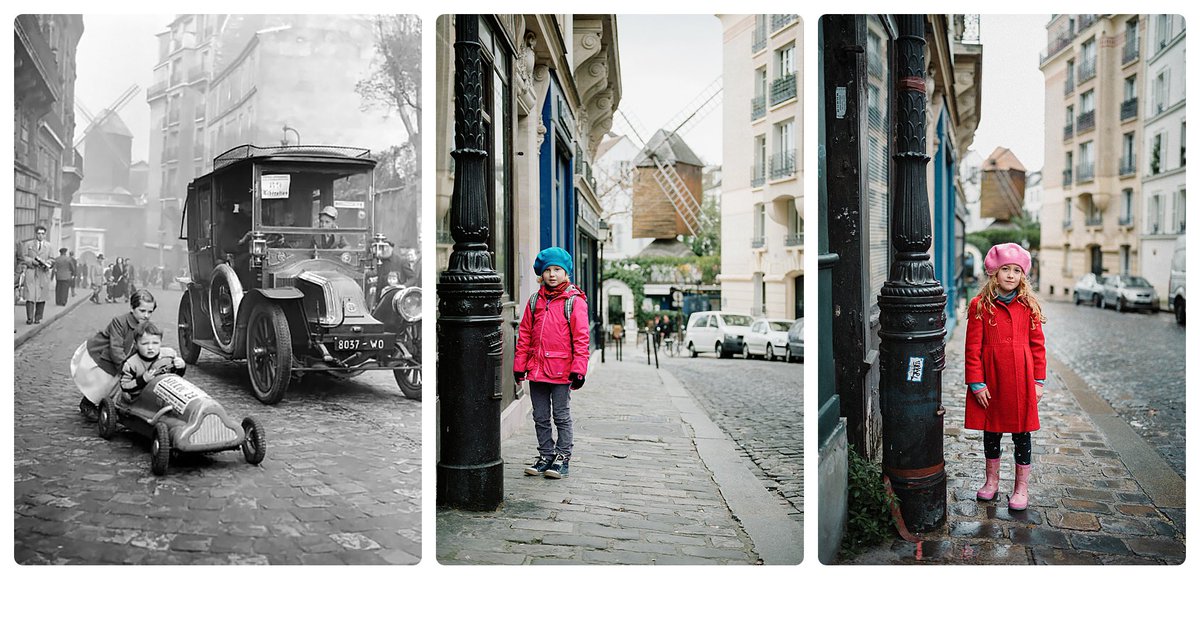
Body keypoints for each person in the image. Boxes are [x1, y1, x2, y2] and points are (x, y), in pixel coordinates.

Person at [965, 242, 1047, 512]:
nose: (1011, 275)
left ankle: (1021, 488)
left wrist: (1038, 381)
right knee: (993, 431)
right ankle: (991, 482)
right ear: (993, 273)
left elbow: (1038, 347)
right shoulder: (980, 306)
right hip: (992, 381)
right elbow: (972, 348)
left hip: (1022, 381)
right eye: (1005, 270)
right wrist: (976, 382)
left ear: (1023, 275)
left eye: (1016, 270)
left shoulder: (1028, 306)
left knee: (1022, 434)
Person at [513, 247, 590, 480]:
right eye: (548, 270)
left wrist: (579, 369)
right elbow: (525, 334)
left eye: (557, 269)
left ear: (566, 273)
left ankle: (562, 457)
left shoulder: (574, 302)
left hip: (561, 370)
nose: (552, 274)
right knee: (540, 416)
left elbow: (581, 338)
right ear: (541, 274)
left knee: (561, 415)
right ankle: (545, 454)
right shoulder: (535, 300)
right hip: (537, 370)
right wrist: (520, 364)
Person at [71, 289, 158, 421]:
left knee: (115, 385)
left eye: (150, 312)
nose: (146, 315)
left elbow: (149, 344)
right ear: (132, 308)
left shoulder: (146, 326)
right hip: (104, 355)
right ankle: (87, 404)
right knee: (101, 384)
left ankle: (109, 405)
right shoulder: (119, 322)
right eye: (142, 311)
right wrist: (125, 366)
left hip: (124, 360)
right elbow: (116, 347)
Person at [119, 321, 186, 402]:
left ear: (160, 342)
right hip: (140, 397)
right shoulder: (131, 364)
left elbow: (177, 377)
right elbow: (124, 385)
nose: (150, 347)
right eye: (144, 344)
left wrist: (181, 366)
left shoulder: (169, 355)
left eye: (155, 343)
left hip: (166, 393)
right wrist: (143, 380)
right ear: (136, 345)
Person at [21, 225, 53, 324]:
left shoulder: (48, 246)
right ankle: (29, 318)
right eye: (38, 233)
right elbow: (24, 257)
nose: (40, 236)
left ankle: (38, 317)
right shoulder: (28, 244)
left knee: (41, 296)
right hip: (31, 272)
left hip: (43, 273)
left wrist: (47, 263)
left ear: (45, 234)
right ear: (35, 234)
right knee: (30, 296)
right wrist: (31, 261)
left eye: (42, 234)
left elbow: (52, 259)